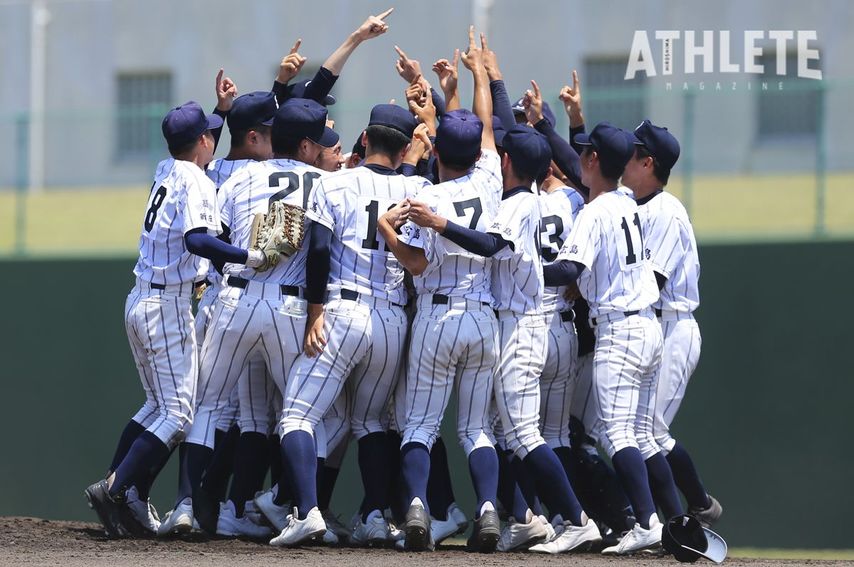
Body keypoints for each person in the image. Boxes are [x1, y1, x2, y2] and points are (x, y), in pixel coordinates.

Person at [84, 100, 273, 538]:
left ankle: (124, 489)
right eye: (210, 132)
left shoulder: (165, 167)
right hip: (167, 305)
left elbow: (192, 148)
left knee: (156, 406)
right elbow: (197, 240)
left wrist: (220, 113)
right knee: (179, 413)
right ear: (204, 141)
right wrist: (249, 256)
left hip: (141, 298)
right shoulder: (197, 182)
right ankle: (114, 486)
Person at [375, 25, 503, 552]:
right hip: (484, 317)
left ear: (437, 154)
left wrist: (389, 233)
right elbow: (486, 124)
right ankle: (489, 509)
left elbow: (417, 265)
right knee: (476, 430)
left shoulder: (427, 196)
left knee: (420, 425)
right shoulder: (491, 174)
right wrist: (479, 76)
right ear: (475, 151)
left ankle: (418, 510)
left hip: (438, 316)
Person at [544, 121, 683, 554]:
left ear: (593, 160)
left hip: (619, 330)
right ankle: (672, 523)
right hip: (648, 327)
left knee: (618, 434)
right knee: (641, 434)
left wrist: (519, 265)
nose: (580, 159)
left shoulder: (596, 211)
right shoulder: (628, 202)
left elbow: (569, 271)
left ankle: (646, 524)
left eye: (585, 153)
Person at [623, 119, 722, 528]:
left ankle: (697, 506)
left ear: (648, 163)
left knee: (650, 433)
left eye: (632, 153)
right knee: (630, 432)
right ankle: (656, 517)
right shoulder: (631, 203)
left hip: (672, 327)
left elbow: (652, 283)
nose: (625, 159)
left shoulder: (666, 212)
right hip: (649, 326)